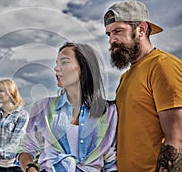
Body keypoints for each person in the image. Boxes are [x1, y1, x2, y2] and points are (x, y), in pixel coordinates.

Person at [103, 0, 182, 171]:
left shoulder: (163, 66)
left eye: (117, 31)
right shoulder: (125, 78)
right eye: (109, 34)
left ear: (141, 29)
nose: (112, 40)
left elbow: (177, 139)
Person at [17, 42, 118, 172]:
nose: (56, 68)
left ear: (84, 67)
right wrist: (30, 168)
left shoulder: (109, 112)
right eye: (57, 63)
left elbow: (111, 161)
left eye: (64, 62)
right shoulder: (43, 107)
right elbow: (26, 149)